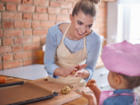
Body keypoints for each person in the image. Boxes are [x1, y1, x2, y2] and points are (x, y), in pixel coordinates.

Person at [44, 0, 102, 82]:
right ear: (71, 18)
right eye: (80, 23)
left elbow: (90, 69)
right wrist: (62, 72)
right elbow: (48, 64)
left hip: (78, 88)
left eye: (89, 26)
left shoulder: (95, 40)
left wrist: (84, 73)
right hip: (53, 86)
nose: (83, 30)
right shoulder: (54, 33)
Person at [76, 41, 140, 105]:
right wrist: (95, 90)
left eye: (109, 71)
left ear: (117, 80)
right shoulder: (134, 96)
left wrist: (91, 99)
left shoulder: (112, 101)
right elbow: (103, 100)